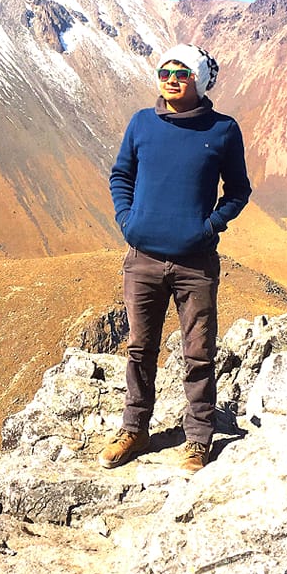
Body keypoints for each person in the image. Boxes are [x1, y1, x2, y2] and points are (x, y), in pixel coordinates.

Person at [100, 44, 252, 474]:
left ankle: (198, 439)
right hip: (142, 257)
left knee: (199, 353)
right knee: (139, 348)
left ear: (200, 80)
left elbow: (238, 191)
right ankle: (134, 428)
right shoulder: (141, 123)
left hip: (195, 264)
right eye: (165, 70)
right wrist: (128, 221)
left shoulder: (222, 130)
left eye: (182, 73)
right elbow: (121, 175)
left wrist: (208, 226)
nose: (170, 78)